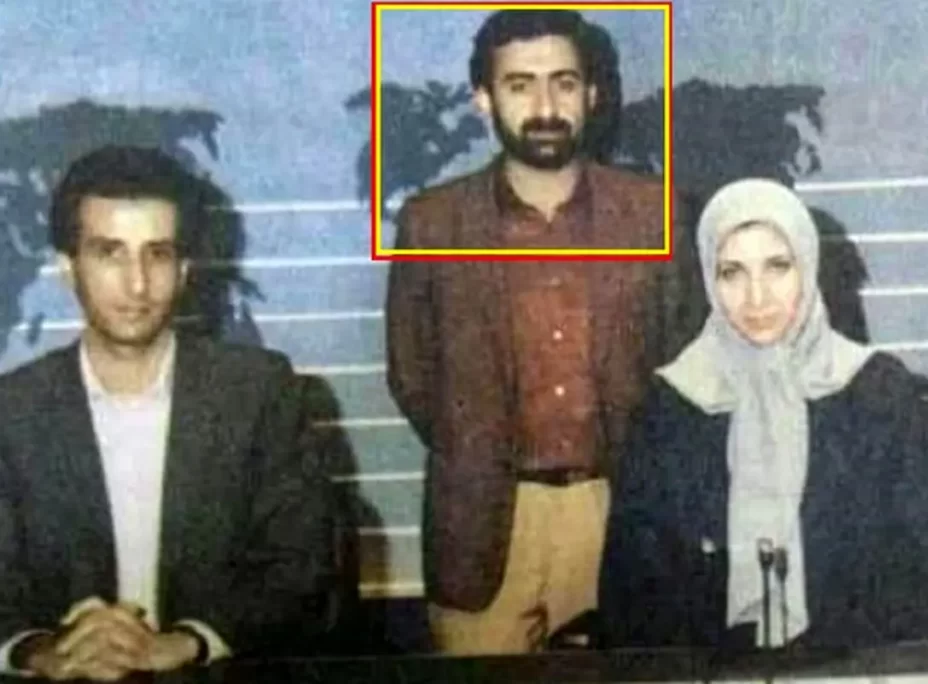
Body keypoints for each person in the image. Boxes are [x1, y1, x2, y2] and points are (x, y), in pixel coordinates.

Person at [386, 9, 705, 654]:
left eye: (564, 82)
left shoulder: (655, 215)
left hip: (621, 512)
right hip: (482, 523)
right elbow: (412, 377)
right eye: (519, 85)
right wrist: (477, 455)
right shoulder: (432, 224)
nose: (545, 107)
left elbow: (691, 360)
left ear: (593, 94)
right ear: (483, 98)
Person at [0, 145, 334, 681]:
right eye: (109, 253)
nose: (137, 284)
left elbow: (306, 567)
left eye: (157, 254)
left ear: (183, 270)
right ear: (67, 267)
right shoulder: (12, 411)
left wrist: (187, 642)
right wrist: (44, 651)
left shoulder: (259, 393)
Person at [598, 178, 928, 651]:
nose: (757, 298)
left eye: (777, 267)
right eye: (732, 272)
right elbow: (634, 590)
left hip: (853, 668)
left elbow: (927, 573)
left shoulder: (879, 393)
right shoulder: (671, 404)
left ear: (808, 266)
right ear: (708, 279)